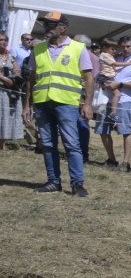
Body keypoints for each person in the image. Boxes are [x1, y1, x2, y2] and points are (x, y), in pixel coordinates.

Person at [22, 12, 94, 196]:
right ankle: (54, 181)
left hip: (67, 104)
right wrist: (26, 106)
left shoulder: (78, 48)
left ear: (64, 27)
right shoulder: (38, 49)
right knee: (47, 144)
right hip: (43, 102)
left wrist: (87, 104)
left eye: (51, 25)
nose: (47, 28)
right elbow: (31, 78)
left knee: (72, 144)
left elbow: (88, 78)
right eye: (45, 24)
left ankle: (77, 184)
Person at [97, 35, 131, 171]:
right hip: (105, 98)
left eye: (128, 46)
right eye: (123, 46)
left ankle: (125, 163)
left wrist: (120, 83)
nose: (125, 49)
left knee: (125, 131)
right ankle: (112, 159)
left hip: (124, 100)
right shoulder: (115, 58)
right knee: (103, 130)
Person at [0, 30, 25, 149]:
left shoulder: (10, 57)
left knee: (6, 115)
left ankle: (2, 143)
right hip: (1, 88)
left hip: (8, 92)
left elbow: (17, 71)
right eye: (1, 40)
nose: (3, 42)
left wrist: (10, 78)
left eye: (5, 40)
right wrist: (5, 79)